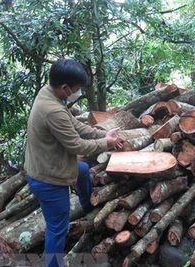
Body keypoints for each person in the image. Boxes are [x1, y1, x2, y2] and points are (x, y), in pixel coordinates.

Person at [24, 58, 123, 267]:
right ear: (65, 87)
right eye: (77, 89)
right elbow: (77, 146)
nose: (78, 93)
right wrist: (105, 143)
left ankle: (87, 206)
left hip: (49, 163)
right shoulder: (53, 111)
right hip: (48, 178)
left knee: (83, 169)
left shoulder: (49, 93)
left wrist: (104, 133)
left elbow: (75, 125)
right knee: (57, 228)